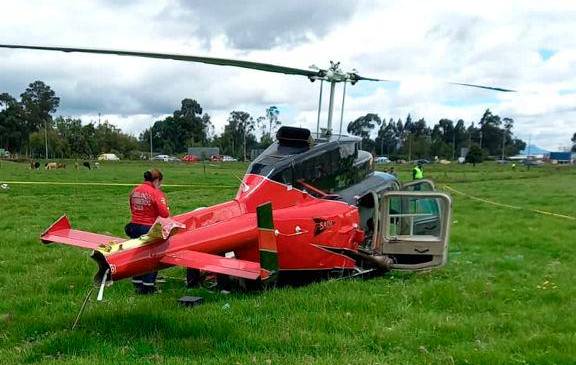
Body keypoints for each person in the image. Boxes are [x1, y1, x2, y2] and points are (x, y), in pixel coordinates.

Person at [125, 168, 170, 294]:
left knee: (138, 254)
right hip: (149, 227)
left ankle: (137, 282)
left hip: (134, 225)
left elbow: (131, 207)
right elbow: (165, 214)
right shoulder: (156, 193)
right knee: (152, 256)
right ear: (156, 180)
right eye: (160, 182)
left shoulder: (135, 190)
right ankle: (148, 286)